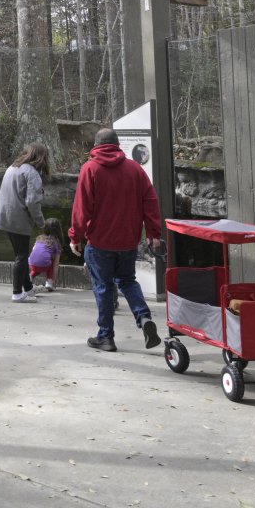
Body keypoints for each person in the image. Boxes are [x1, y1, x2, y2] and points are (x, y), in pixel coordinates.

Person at [69, 128, 163, 352]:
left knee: (103, 287)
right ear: (118, 145)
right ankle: (143, 317)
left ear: (95, 146)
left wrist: (75, 236)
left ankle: (106, 336)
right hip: (128, 241)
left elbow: (82, 208)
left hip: (100, 242)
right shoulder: (135, 169)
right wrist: (153, 233)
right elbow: (150, 201)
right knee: (128, 281)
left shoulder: (90, 169)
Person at [0, 143, 50, 303]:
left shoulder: (13, 167)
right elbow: (32, 202)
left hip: (4, 216)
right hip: (18, 219)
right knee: (22, 256)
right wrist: (41, 222)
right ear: (41, 157)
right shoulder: (32, 173)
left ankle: (29, 288)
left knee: (21, 254)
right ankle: (17, 293)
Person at [27, 217, 65, 292]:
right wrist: (54, 281)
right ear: (58, 230)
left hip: (31, 263)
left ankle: (30, 276)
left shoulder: (39, 238)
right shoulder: (56, 243)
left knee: (41, 260)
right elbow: (56, 265)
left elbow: (34, 251)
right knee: (50, 261)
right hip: (43, 264)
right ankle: (49, 282)